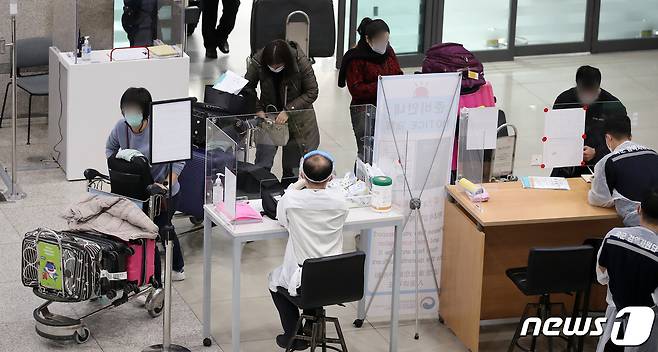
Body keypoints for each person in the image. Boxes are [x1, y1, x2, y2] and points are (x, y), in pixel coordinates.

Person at [268, 151, 349, 350]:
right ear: (331, 177)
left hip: (303, 279)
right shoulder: (340, 201)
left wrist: (297, 185)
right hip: (335, 278)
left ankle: (292, 335)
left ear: (302, 175)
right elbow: (334, 192)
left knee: (274, 280)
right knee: (314, 274)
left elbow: (281, 219)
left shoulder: (292, 201)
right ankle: (311, 324)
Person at [105, 87, 186, 284]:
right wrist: (120, 167)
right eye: (126, 110)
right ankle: (147, 272)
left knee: (161, 228)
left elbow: (179, 161)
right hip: (137, 189)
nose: (130, 115)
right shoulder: (120, 127)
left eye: (135, 111)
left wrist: (164, 184)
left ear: (146, 113)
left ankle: (176, 267)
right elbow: (110, 148)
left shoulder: (160, 130)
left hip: (163, 191)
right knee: (146, 230)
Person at [244, 39, 320, 178]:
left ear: (287, 61)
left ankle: (289, 191)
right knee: (262, 163)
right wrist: (258, 108)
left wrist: (288, 110)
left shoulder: (300, 61)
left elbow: (312, 91)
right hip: (268, 118)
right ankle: (262, 191)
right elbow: (247, 87)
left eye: (278, 65)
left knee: (292, 167)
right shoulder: (258, 61)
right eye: (270, 66)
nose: (274, 68)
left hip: (298, 119)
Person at [595, 189, 658, 352]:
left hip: (614, 318)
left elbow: (602, 277)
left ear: (638, 209)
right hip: (648, 328)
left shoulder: (613, 236)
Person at [338, 18, 403, 162]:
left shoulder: (388, 52)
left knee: (386, 150)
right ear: (368, 39)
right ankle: (360, 182)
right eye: (380, 40)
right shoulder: (355, 58)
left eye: (386, 40)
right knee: (366, 152)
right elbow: (356, 89)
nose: (383, 44)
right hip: (364, 111)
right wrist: (382, 84)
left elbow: (397, 72)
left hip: (387, 107)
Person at [551, 65, 627, 178]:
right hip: (568, 164)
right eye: (583, 91)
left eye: (591, 92)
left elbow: (621, 142)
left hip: (601, 164)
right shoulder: (564, 100)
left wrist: (596, 152)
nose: (587, 95)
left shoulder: (613, 106)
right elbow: (555, 132)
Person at [588, 114, 658, 226]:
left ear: (608, 138)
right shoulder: (653, 154)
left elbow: (598, 200)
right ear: (630, 137)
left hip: (640, 223)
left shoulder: (607, 162)